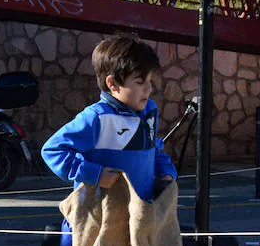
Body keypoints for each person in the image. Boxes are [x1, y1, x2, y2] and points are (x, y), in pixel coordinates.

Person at [42, 34, 177, 201]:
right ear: (112, 83)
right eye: (140, 81)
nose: (149, 88)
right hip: (97, 220)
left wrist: (167, 173)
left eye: (150, 80)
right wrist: (95, 174)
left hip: (139, 217)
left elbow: (153, 149)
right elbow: (53, 150)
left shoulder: (150, 111)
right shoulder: (97, 117)